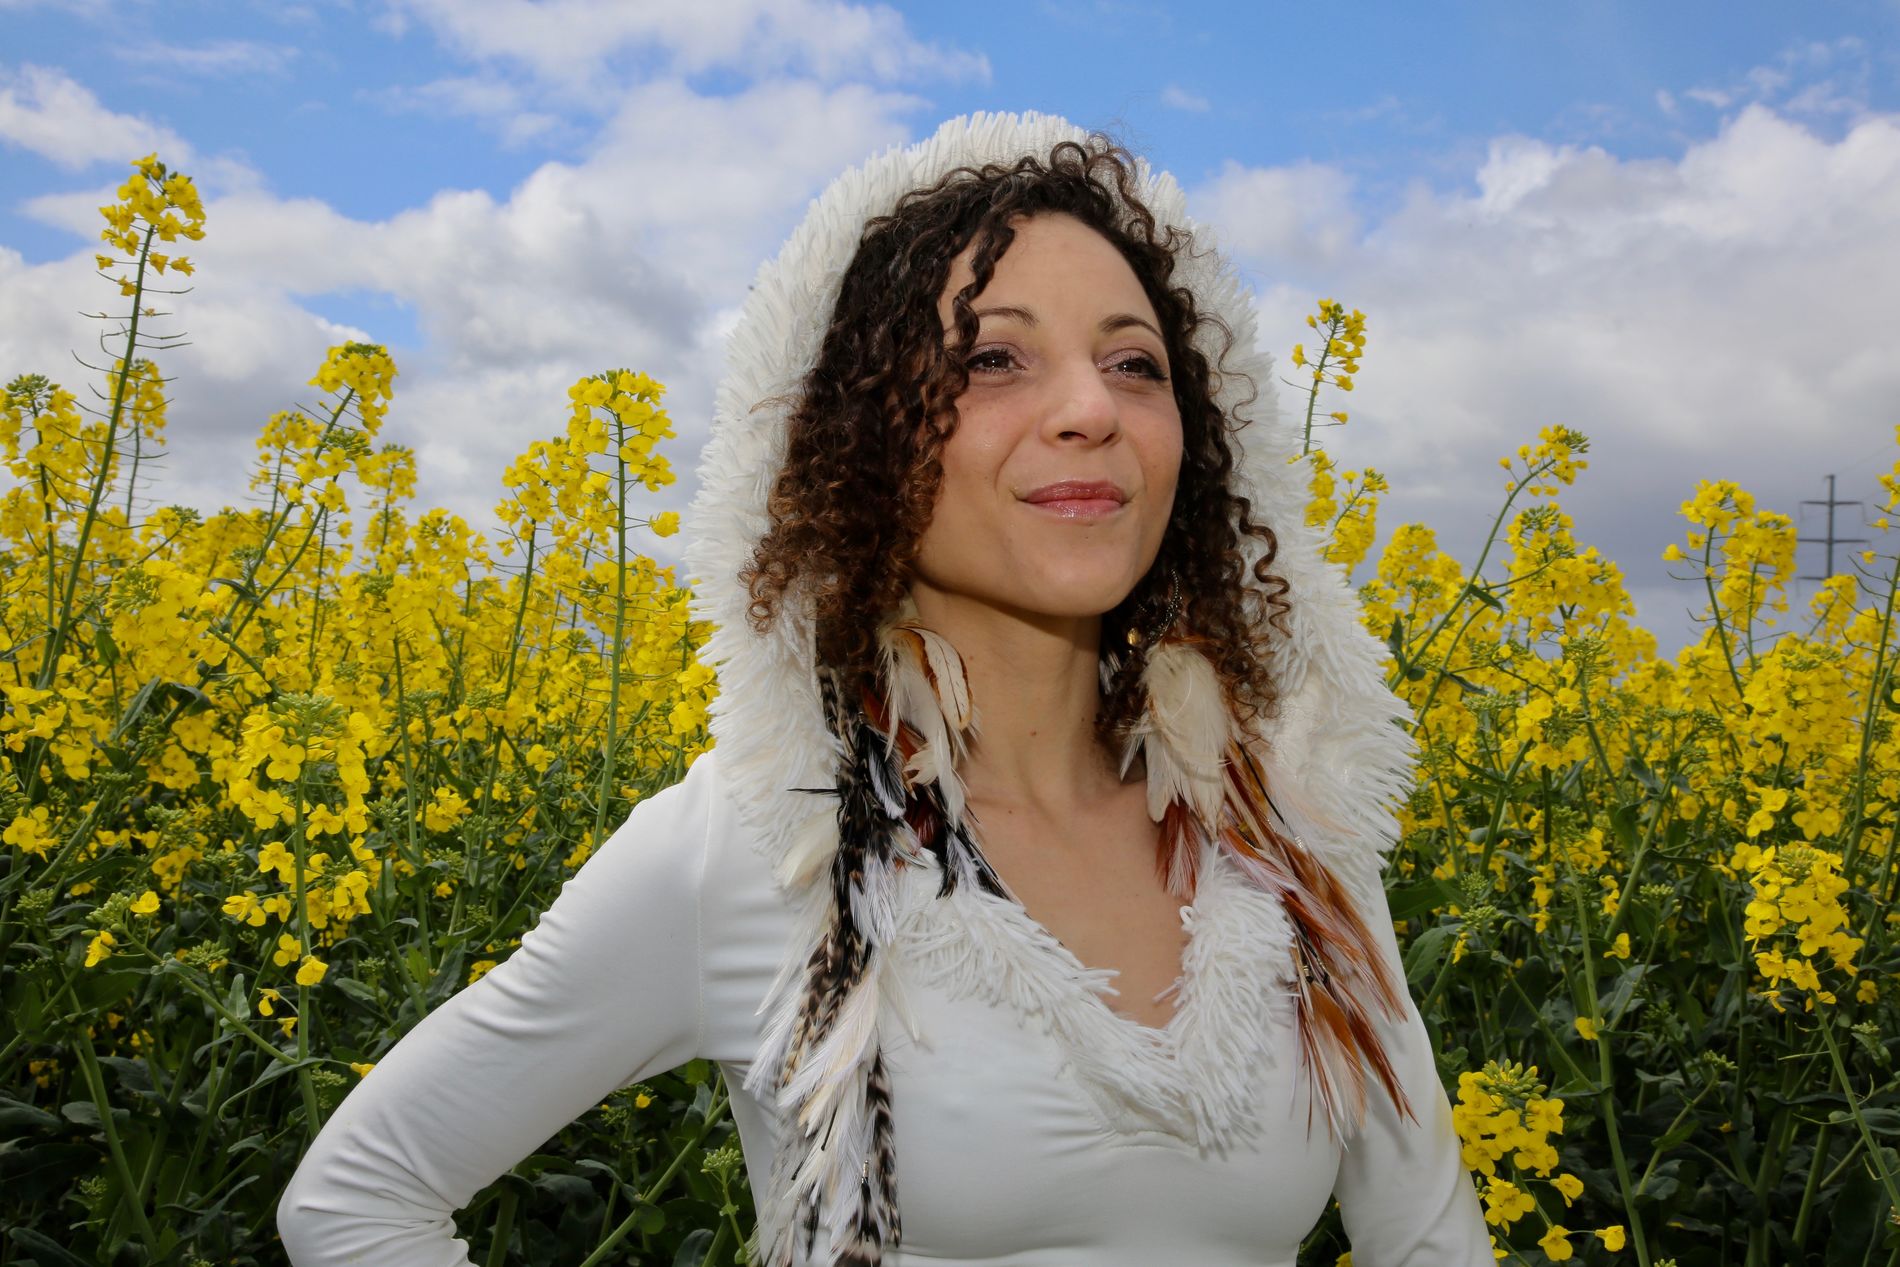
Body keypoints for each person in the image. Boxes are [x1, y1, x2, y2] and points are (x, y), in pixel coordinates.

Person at [277, 111, 1491, 1266]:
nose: (1090, 409)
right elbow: (357, 1197)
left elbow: (1433, 1243)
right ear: (863, 434)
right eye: (994, 358)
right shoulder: (763, 844)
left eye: (1136, 363)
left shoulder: (1291, 845)